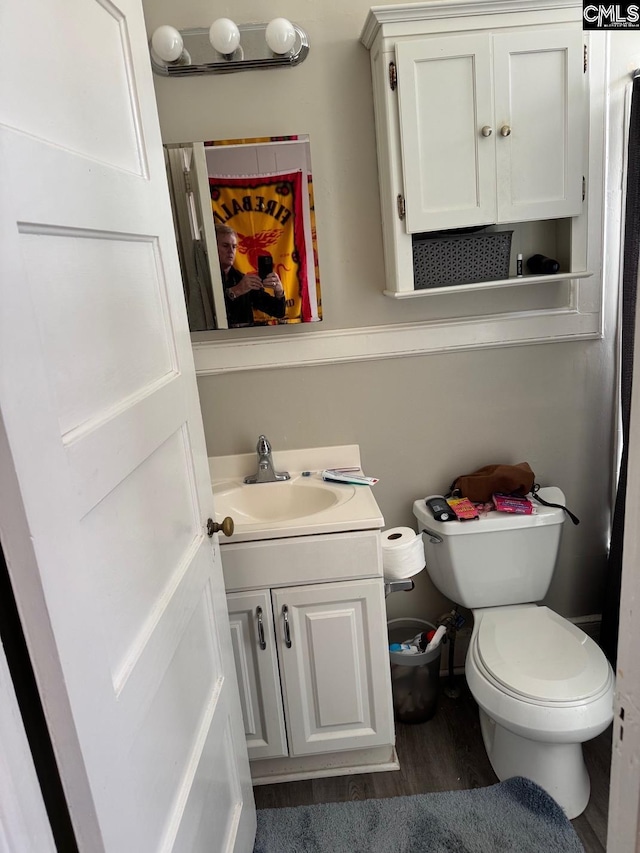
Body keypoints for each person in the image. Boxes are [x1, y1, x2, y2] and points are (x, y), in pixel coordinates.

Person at [215, 224, 286, 327]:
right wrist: (235, 291)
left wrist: (279, 291)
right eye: (225, 246)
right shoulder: (206, 279)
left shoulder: (241, 278)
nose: (231, 251)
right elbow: (209, 314)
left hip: (246, 338)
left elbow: (278, 312)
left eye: (234, 246)